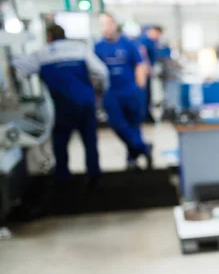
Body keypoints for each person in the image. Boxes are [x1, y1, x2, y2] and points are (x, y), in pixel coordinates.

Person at [13, 24, 109, 187]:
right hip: (86, 102)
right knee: (90, 140)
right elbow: (102, 72)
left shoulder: (42, 54)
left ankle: (63, 177)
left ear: (49, 36)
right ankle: (94, 175)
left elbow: (21, 69)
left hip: (61, 105)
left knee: (61, 141)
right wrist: (101, 94)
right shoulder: (80, 49)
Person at [94, 13, 153, 171]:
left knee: (134, 126)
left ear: (114, 24)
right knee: (117, 124)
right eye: (103, 24)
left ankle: (132, 159)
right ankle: (143, 148)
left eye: (109, 23)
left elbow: (140, 65)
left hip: (130, 91)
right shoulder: (97, 47)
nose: (107, 27)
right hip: (111, 93)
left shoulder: (128, 44)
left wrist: (139, 88)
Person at [137, 25, 163, 123]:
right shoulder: (145, 40)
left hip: (147, 70)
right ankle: (144, 115)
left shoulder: (152, 41)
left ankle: (147, 114)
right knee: (145, 93)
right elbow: (142, 53)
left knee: (148, 93)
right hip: (143, 71)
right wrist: (147, 68)